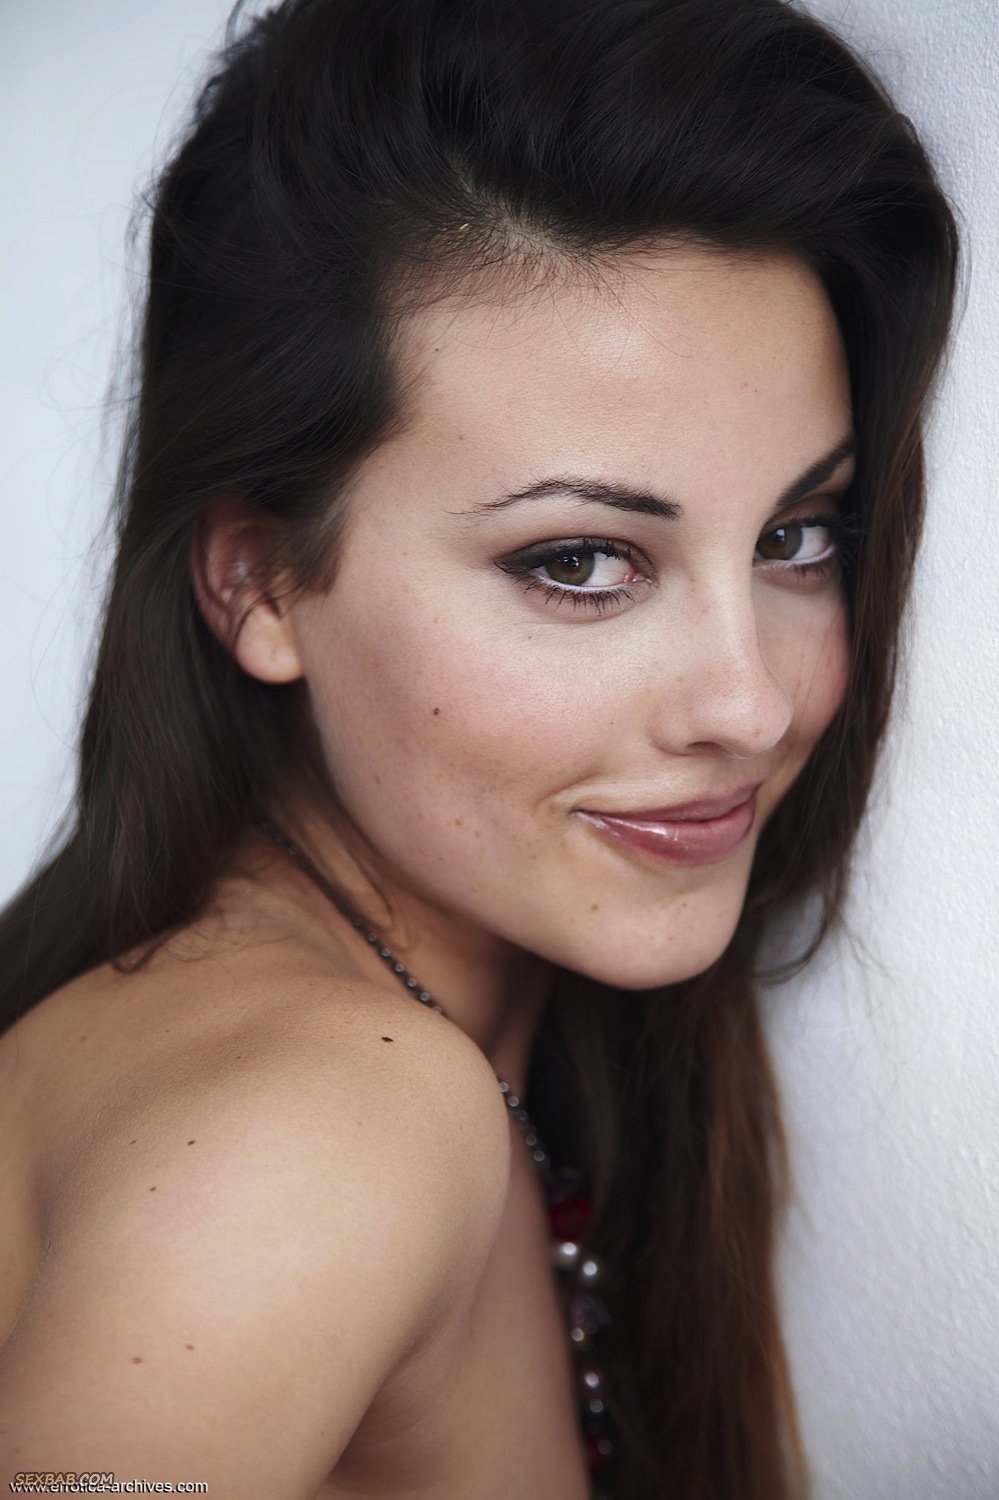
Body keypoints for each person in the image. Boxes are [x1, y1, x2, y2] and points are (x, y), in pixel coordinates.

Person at [0, 0, 957, 1496]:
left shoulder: (405, 1058)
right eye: (579, 562)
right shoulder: (329, 1124)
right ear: (259, 584)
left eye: (796, 536)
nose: (751, 703)